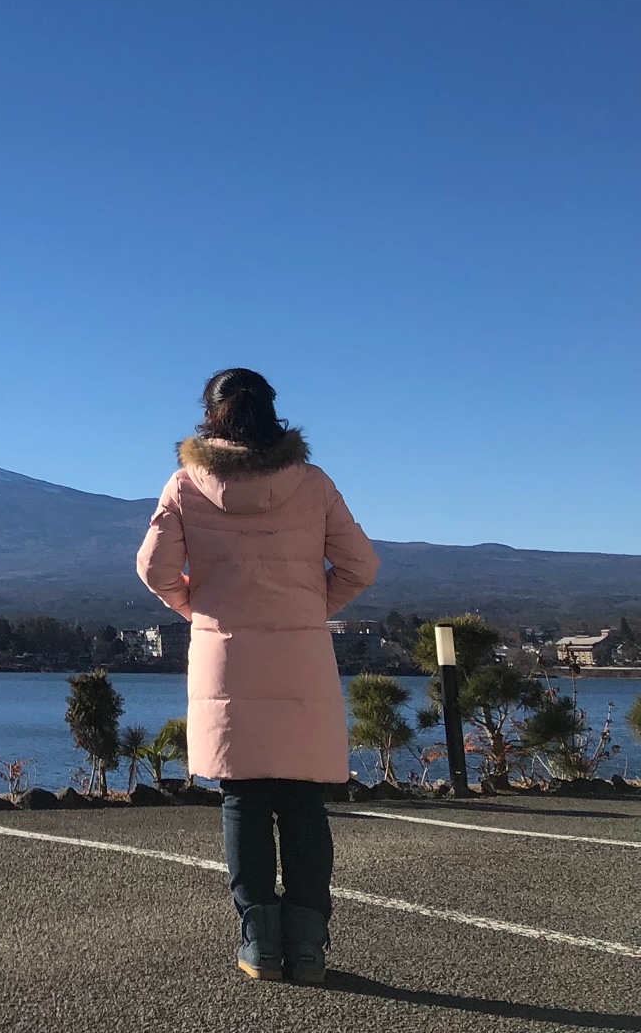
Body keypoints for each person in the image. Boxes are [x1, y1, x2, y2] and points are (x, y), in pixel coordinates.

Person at [136, 368, 378, 985]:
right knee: (301, 798)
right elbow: (361, 566)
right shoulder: (313, 482)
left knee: (242, 795)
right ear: (272, 412)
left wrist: (202, 610)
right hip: (301, 656)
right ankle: (308, 947)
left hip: (225, 656)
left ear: (210, 415)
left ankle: (259, 943)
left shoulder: (187, 483)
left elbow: (154, 569)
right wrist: (305, 609)